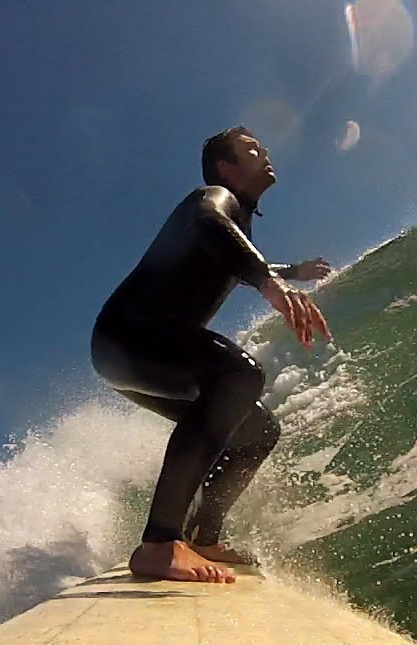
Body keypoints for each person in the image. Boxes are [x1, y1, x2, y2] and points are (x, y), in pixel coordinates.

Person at [91, 126, 333, 584]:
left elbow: (230, 253)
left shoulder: (233, 226)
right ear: (226, 168)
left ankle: (203, 536)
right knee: (239, 374)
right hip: (129, 335)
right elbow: (210, 223)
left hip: (135, 352)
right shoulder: (213, 198)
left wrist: (289, 271)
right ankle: (160, 542)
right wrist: (269, 281)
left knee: (259, 429)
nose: (265, 154)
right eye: (252, 150)